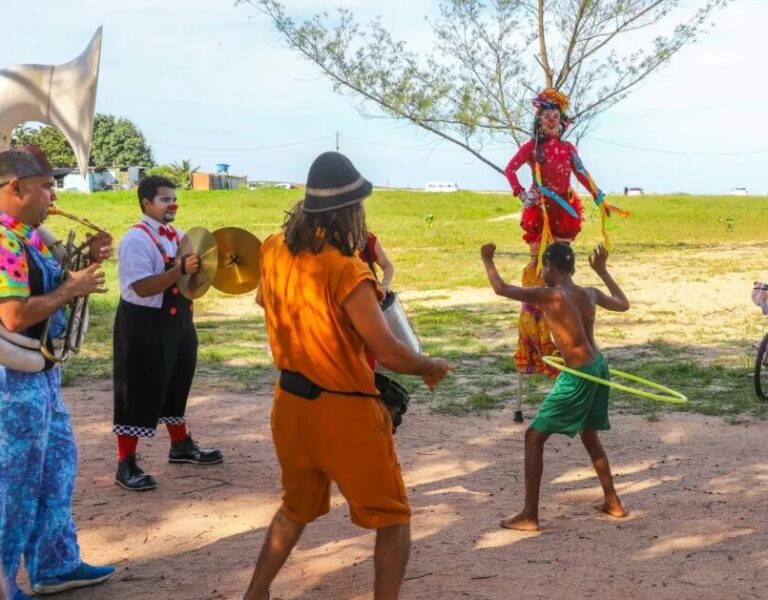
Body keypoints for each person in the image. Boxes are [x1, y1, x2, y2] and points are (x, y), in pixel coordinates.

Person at [247, 151, 450, 600]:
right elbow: (387, 351)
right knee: (393, 519)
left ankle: (256, 593)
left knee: (295, 509)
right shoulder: (348, 270)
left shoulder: (273, 248)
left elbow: (266, 303)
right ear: (349, 212)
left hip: (290, 405)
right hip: (344, 412)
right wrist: (428, 366)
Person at [0, 146, 115, 598]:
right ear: (15, 187)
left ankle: (55, 564)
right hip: (14, 383)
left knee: (56, 468)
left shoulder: (25, 234)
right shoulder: (4, 242)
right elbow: (13, 316)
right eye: (47, 186)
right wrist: (72, 288)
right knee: (15, 485)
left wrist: (85, 258)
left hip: (40, 376)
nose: (54, 194)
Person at [482, 241, 629, 531]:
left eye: (543, 268)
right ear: (573, 268)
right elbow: (623, 304)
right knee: (589, 435)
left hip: (578, 374)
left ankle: (529, 515)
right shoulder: (589, 292)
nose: (541, 273)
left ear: (549, 267)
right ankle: (612, 502)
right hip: (598, 366)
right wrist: (602, 271)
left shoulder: (549, 295)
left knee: (533, 438)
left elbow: (501, 288)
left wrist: (487, 259)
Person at [503, 88, 625, 422]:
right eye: (546, 114)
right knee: (540, 270)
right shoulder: (533, 148)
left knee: (563, 274)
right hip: (542, 213)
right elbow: (510, 170)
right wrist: (522, 194)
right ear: (539, 119)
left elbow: (583, 174)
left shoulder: (569, 148)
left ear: (562, 119)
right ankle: (538, 323)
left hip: (565, 215)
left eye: (556, 113)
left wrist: (600, 199)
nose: (552, 118)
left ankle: (563, 326)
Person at [112, 175, 222, 491]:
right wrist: (180, 271)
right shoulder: (136, 239)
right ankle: (126, 464)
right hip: (143, 324)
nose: (172, 204)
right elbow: (143, 287)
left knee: (177, 381)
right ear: (146, 203)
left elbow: (194, 277)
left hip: (177, 321)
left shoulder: (179, 235)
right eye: (164, 199)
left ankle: (180, 445)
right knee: (138, 391)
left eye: (174, 198)